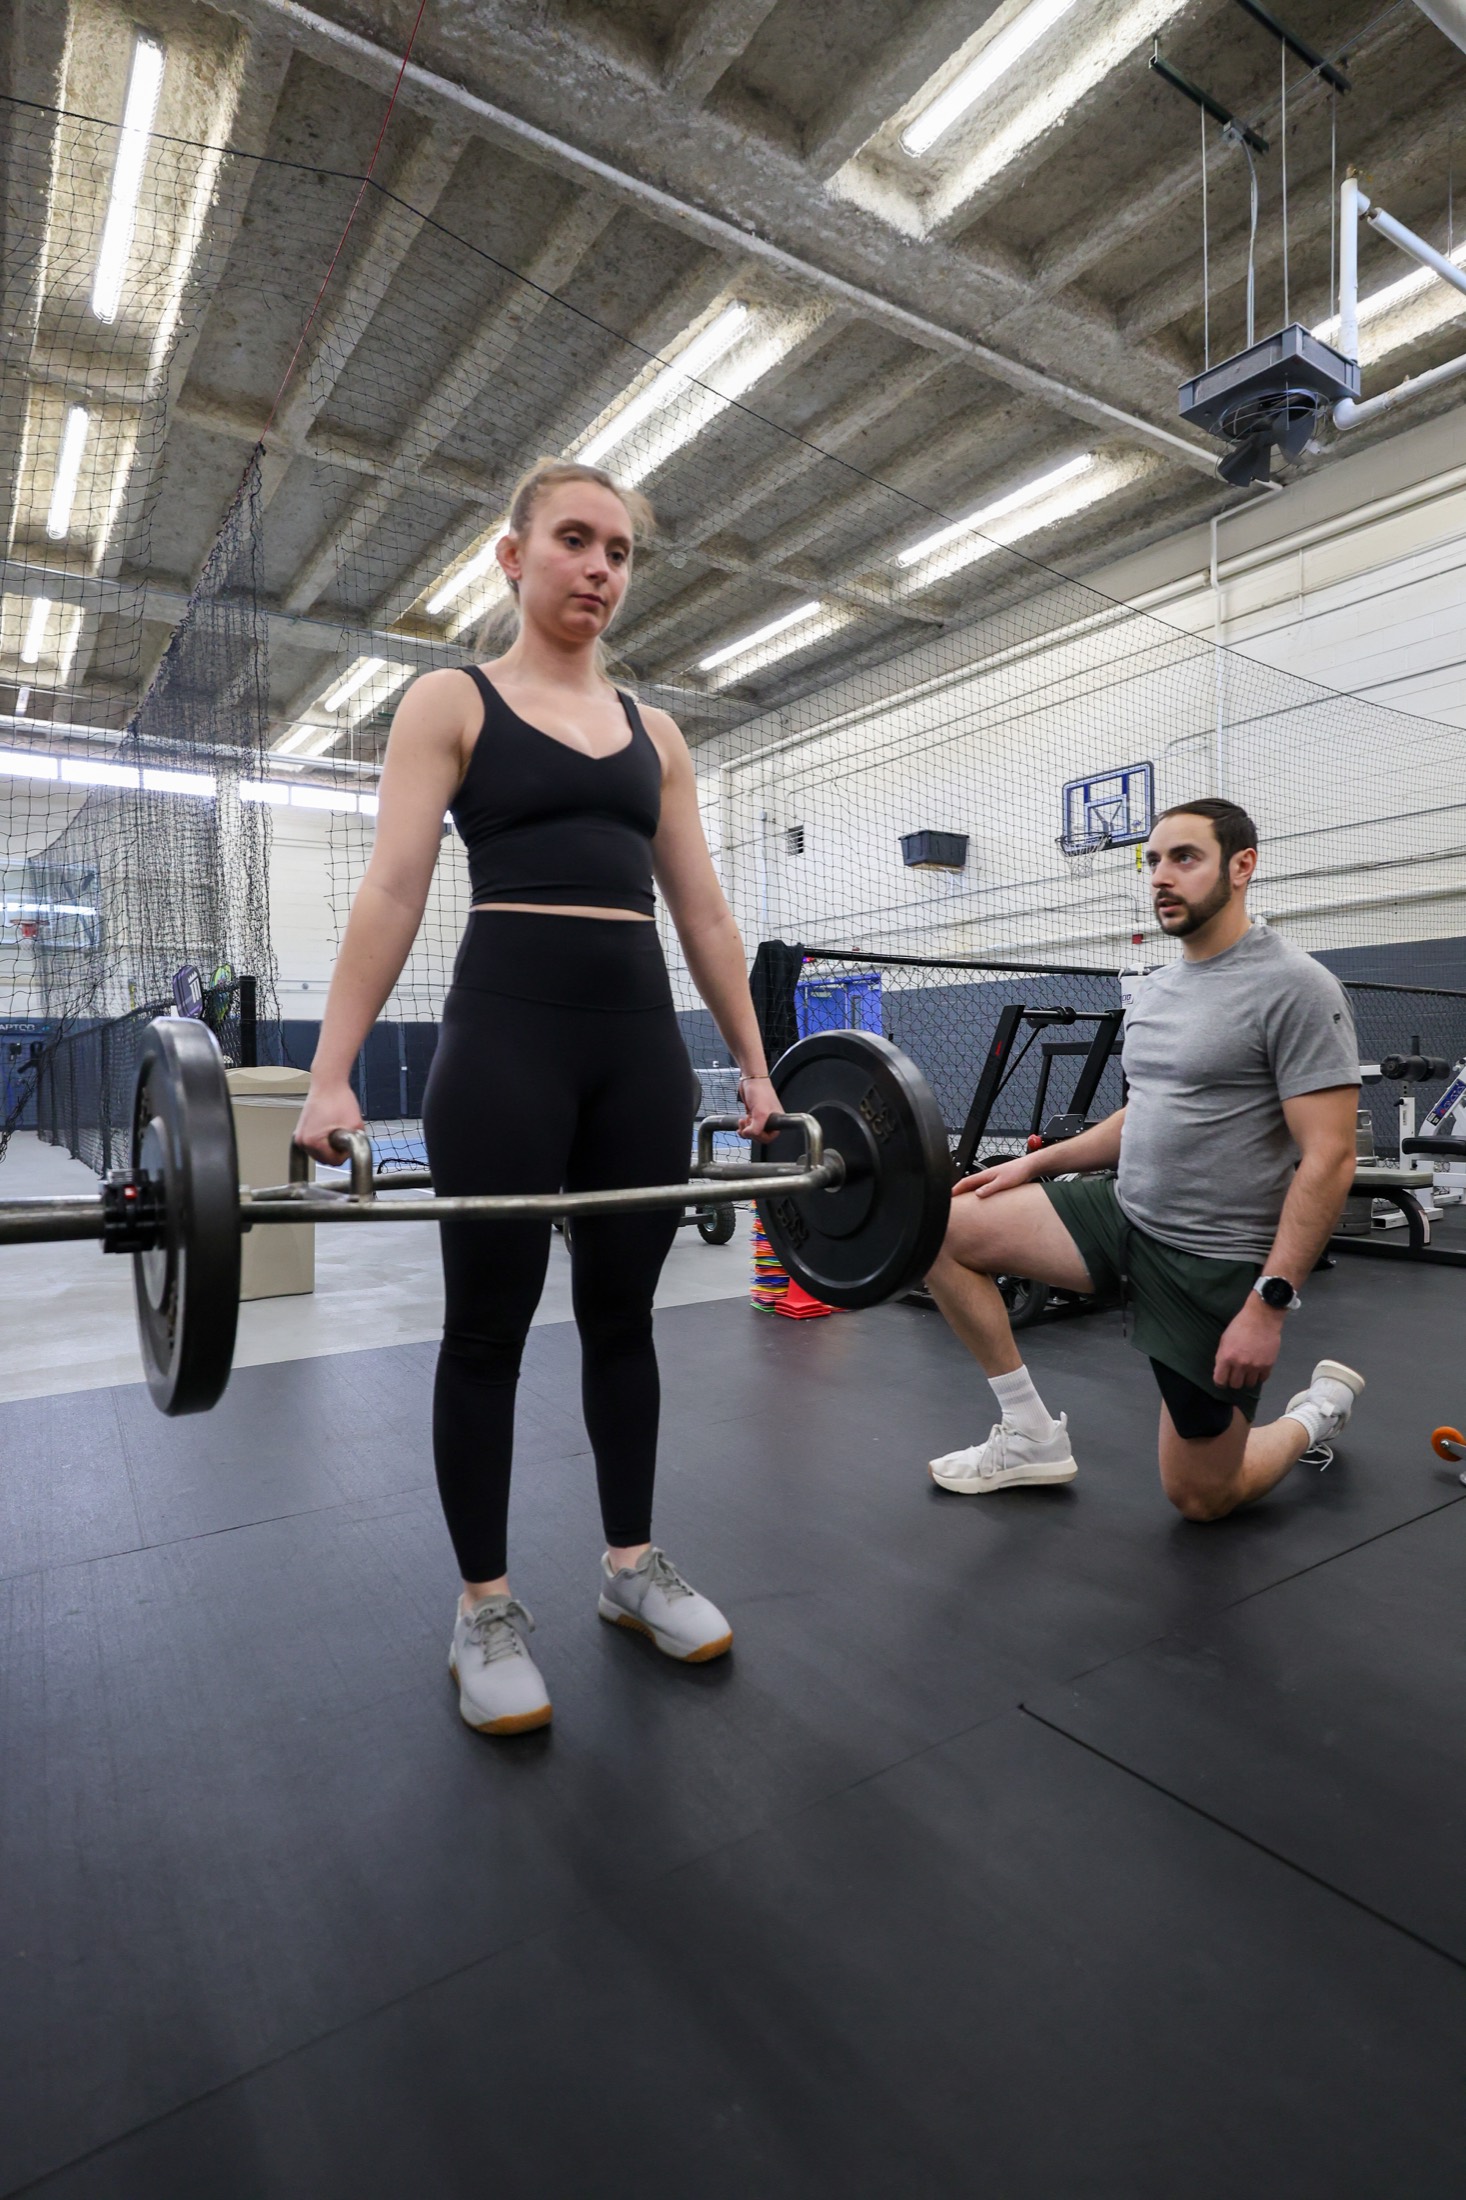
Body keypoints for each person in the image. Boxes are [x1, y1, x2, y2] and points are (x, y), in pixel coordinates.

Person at [294, 458, 780, 1734]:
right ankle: (483, 1608)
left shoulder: (656, 733)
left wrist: (755, 1063)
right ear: (512, 558)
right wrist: (330, 1068)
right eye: (575, 541)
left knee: (624, 1317)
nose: (600, 569)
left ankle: (629, 1570)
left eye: (618, 551)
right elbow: (393, 887)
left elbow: (706, 910)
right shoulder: (450, 700)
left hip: (636, 1045)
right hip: (504, 1039)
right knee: (488, 1326)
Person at [925, 798, 1365, 1522]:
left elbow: (1331, 1156)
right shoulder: (1158, 988)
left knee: (1201, 1497)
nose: (1162, 876)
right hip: (1122, 1211)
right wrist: (1035, 1166)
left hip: (1209, 1259)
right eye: (1153, 861)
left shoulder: (1298, 988)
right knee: (941, 1225)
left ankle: (1317, 1411)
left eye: (1184, 858)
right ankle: (1031, 1434)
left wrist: (1270, 1304)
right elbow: (1147, 1112)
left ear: (1242, 865)